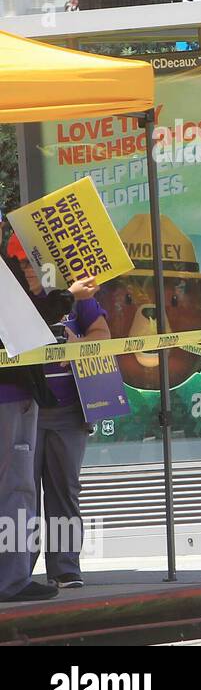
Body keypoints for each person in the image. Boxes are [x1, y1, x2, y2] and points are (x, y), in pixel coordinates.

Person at [1, 232, 98, 603]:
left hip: (30, 400)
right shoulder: (7, 283)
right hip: (11, 396)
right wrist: (71, 296)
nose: (27, 270)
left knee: (26, 491)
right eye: (21, 262)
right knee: (17, 491)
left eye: (32, 263)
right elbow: (26, 322)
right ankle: (11, 580)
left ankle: (30, 573)